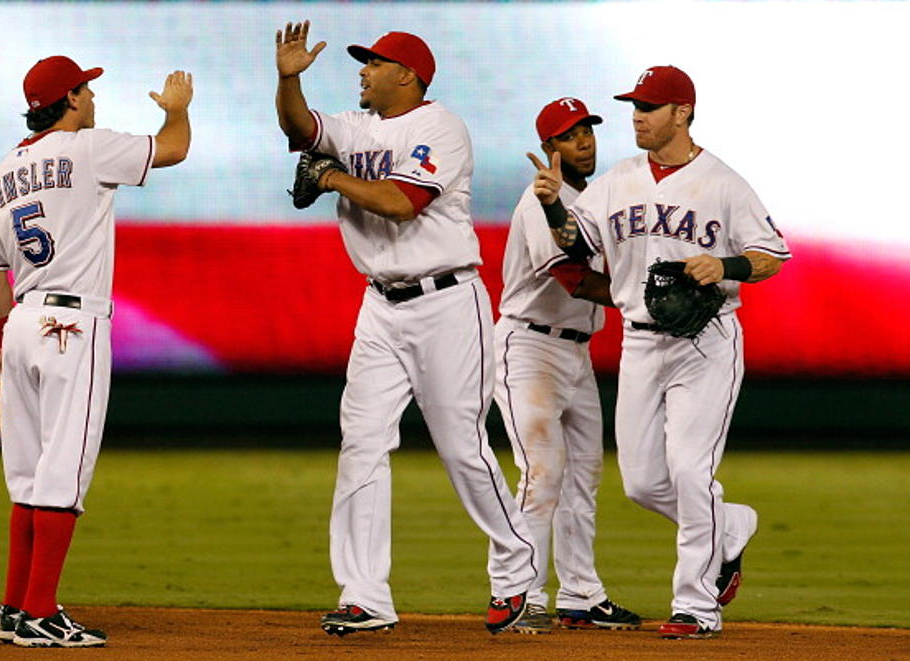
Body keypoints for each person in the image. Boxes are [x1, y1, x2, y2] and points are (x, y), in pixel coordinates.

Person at [274, 21, 536, 635]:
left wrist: (331, 178)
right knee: (361, 441)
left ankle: (516, 570)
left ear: (407, 76)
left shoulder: (439, 127)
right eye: (362, 63)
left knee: (461, 447)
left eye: (373, 63)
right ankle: (365, 595)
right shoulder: (357, 125)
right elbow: (299, 127)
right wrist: (289, 79)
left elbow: (400, 202)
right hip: (380, 306)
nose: (362, 71)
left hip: (447, 301)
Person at [528, 65, 790, 639]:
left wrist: (726, 265)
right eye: (635, 106)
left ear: (682, 112)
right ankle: (730, 523)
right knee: (642, 481)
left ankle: (695, 606)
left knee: (691, 472)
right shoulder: (618, 180)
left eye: (649, 106)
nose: (637, 116)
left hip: (707, 341)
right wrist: (552, 206)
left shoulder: (722, 181)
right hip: (640, 342)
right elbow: (577, 242)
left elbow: (772, 254)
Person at [0, 56, 193, 647]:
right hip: (73, 324)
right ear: (69, 98)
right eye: (86, 89)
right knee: (62, 474)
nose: (92, 97)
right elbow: (172, 150)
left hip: (19, 322)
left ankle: (14, 610)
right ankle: (41, 614)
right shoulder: (87, 147)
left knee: (27, 479)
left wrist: (3, 344)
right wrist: (177, 110)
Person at [493, 97, 641, 634]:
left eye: (588, 131)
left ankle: (580, 594)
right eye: (570, 135)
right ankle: (520, 594)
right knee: (543, 472)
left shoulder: (595, 202)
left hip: (576, 351)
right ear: (549, 148)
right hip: (528, 348)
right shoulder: (541, 203)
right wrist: (639, 296)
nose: (584, 141)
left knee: (584, 477)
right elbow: (570, 277)